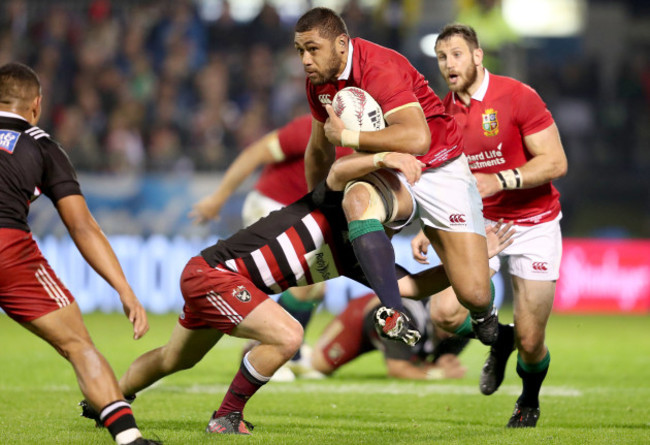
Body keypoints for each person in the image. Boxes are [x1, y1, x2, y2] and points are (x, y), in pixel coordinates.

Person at [79, 151, 513, 435]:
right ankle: (226, 417)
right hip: (217, 275)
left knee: (177, 358)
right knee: (287, 335)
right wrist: (387, 156)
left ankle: (106, 400)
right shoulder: (335, 200)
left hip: (215, 276)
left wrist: (467, 266)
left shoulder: (359, 253)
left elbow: (405, 287)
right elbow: (340, 170)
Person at [293, 7, 498, 347]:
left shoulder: (378, 67)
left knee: (473, 293)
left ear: (341, 44)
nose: (305, 59)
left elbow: (418, 138)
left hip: (440, 168)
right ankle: (393, 311)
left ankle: (483, 311)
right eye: (300, 50)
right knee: (354, 203)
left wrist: (349, 139)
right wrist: (319, 208)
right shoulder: (319, 84)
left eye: (313, 48)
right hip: (388, 170)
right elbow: (318, 150)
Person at [0, 62, 159, 445]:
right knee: (78, 345)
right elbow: (82, 226)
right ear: (36, 105)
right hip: (8, 250)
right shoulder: (41, 144)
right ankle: (128, 438)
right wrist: (124, 288)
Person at [420, 24, 568, 427]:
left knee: (532, 342)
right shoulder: (441, 114)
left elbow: (556, 162)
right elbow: (442, 179)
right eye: (441, 57)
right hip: (481, 222)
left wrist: (501, 179)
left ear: (478, 55)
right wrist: (425, 227)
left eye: (456, 54)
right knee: (444, 313)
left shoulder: (518, 95)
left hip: (534, 223)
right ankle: (499, 338)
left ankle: (528, 400)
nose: (449, 65)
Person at [189, 113, 353, 380]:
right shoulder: (314, 127)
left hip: (301, 214)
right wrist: (219, 197)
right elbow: (255, 153)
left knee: (318, 286)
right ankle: (259, 349)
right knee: (308, 279)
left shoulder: (366, 143)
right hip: (269, 204)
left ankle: (294, 352)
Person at [312, 292, 469, 380]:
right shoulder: (402, 318)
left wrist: (442, 365)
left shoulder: (463, 329)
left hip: (406, 335)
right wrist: (439, 374)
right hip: (360, 320)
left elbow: (440, 362)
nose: (453, 325)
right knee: (318, 366)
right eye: (450, 315)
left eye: (459, 318)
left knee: (414, 363)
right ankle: (303, 351)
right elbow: (397, 369)